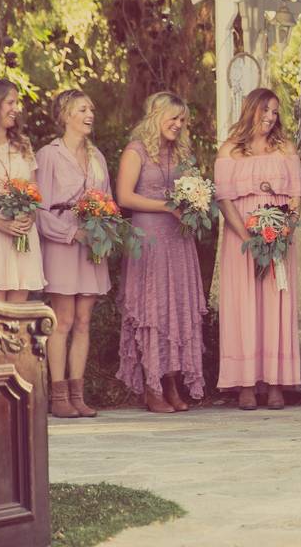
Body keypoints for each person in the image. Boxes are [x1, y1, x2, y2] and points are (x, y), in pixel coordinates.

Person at [115, 92, 207, 413]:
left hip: (178, 241)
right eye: (173, 118)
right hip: (149, 240)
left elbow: (191, 192)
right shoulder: (135, 151)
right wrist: (167, 206)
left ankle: (172, 383)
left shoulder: (180, 153)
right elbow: (124, 197)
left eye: (182, 120)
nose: (178, 125)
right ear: (156, 115)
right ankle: (151, 387)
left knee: (176, 310)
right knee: (153, 312)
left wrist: (195, 204)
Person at [215, 88, 301, 410]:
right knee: (244, 306)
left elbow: (295, 195)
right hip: (242, 239)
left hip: (278, 238)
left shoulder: (285, 149)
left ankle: (276, 381)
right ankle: (246, 383)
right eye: (264, 111)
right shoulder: (229, 151)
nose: (269, 118)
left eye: (275, 112)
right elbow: (224, 199)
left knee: (275, 305)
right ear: (250, 110)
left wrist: (283, 231)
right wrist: (249, 238)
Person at [35, 90, 112, 418]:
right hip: (62, 243)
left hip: (92, 244)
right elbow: (39, 208)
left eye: (91, 108)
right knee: (63, 320)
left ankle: (77, 394)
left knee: (83, 321)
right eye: (82, 108)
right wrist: (70, 232)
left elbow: (106, 198)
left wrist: (102, 228)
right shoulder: (49, 155)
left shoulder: (97, 157)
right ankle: (58, 396)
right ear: (65, 114)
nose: (89, 113)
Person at [0, 78, 45, 302]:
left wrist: (30, 215)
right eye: (10, 103)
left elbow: (34, 191)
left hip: (22, 236)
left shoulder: (23, 144)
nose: (16, 109)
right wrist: (2, 224)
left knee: (18, 319)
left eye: (16, 103)